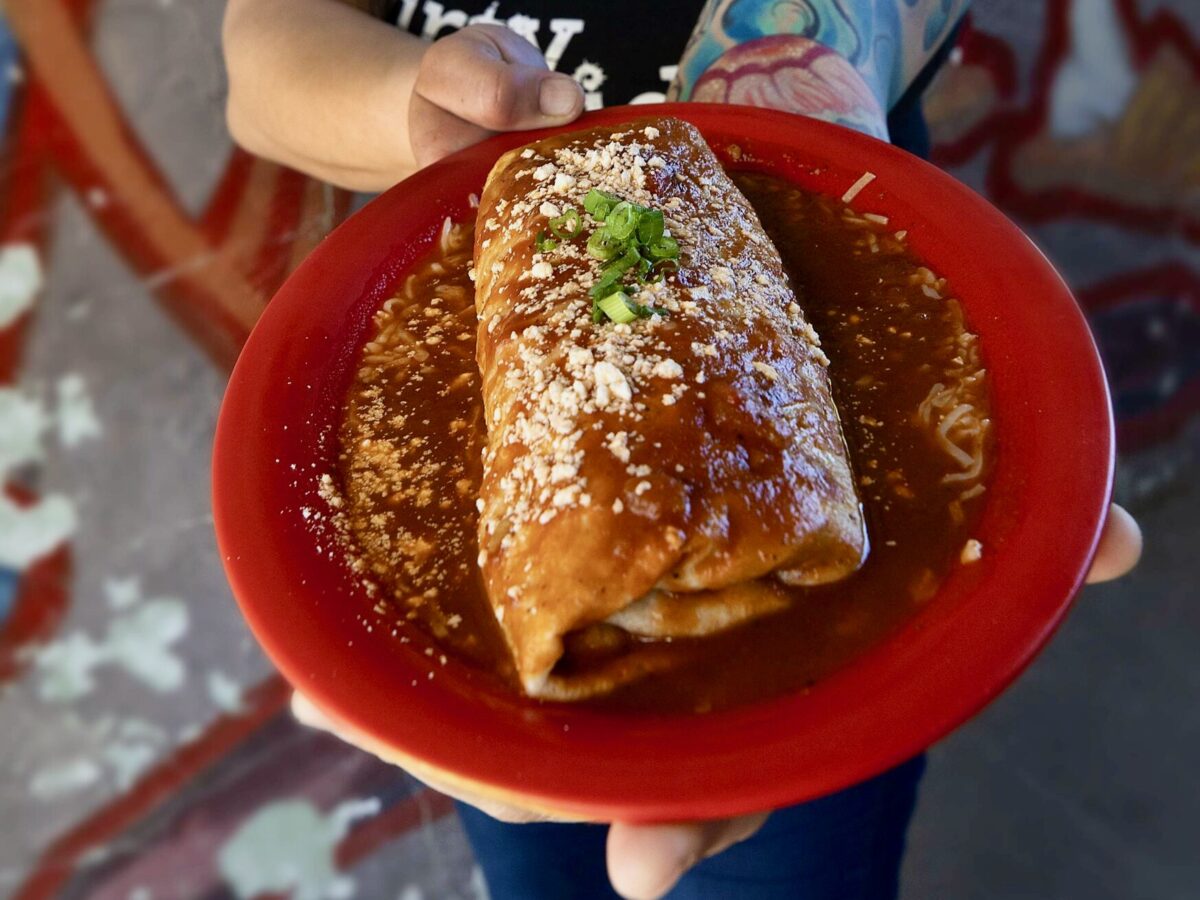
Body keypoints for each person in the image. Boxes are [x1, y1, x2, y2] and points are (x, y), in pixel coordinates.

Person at [222, 2, 1144, 897]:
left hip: (808, 689)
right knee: (535, 870)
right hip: (486, 234)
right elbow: (261, 66)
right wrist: (425, 111)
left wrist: (802, 51)